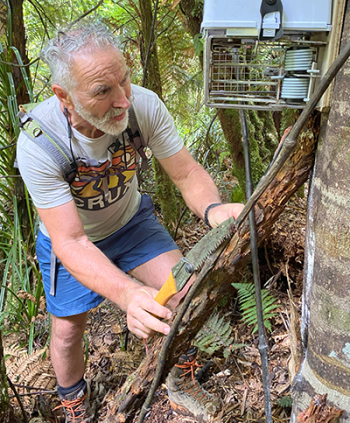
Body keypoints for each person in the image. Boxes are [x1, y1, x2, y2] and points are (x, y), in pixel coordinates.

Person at [16, 23, 244, 423]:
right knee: (69, 332)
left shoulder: (143, 106)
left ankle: (178, 378)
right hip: (73, 239)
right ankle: (73, 404)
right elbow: (70, 242)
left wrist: (212, 210)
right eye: (103, 91)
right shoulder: (40, 142)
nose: (122, 99)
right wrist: (127, 294)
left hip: (132, 221)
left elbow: (187, 174)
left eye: (124, 79)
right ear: (64, 96)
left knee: (183, 293)